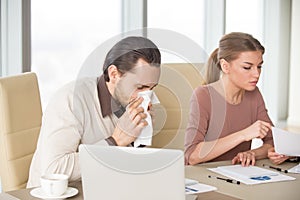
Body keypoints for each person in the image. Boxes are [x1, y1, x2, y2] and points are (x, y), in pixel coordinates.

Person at [27, 36, 161, 188]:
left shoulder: (133, 102)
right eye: (140, 87)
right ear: (114, 74)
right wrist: (115, 142)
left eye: (152, 88)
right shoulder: (71, 100)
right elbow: (53, 169)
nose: (147, 97)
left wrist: (139, 141)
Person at [185, 32, 274, 167]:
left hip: (239, 175)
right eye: (247, 67)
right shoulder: (203, 95)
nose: (256, 74)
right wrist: (243, 135)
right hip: (206, 176)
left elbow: (273, 142)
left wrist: (253, 153)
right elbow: (192, 156)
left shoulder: (253, 94)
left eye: (259, 66)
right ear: (225, 66)